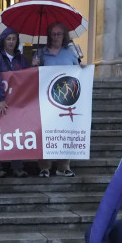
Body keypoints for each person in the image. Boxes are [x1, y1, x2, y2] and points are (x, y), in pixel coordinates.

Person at [32, 22, 86, 178]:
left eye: (59, 34)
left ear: (64, 36)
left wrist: (84, 70)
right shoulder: (41, 54)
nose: (56, 37)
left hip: (67, 101)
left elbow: (78, 72)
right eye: (53, 34)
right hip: (46, 100)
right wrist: (34, 65)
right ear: (49, 36)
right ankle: (44, 167)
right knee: (46, 133)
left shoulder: (70, 54)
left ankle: (63, 166)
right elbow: (33, 76)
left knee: (65, 132)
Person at [0, 27, 29, 178]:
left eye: (14, 39)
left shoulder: (21, 59)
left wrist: (35, 66)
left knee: (17, 134)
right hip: (1, 103)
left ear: (17, 41)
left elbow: (29, 78)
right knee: (0, 134)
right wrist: (0, 98)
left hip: (18, 104)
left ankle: (17, 166)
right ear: (3, 41)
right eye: (8, 39)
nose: (11, 42)